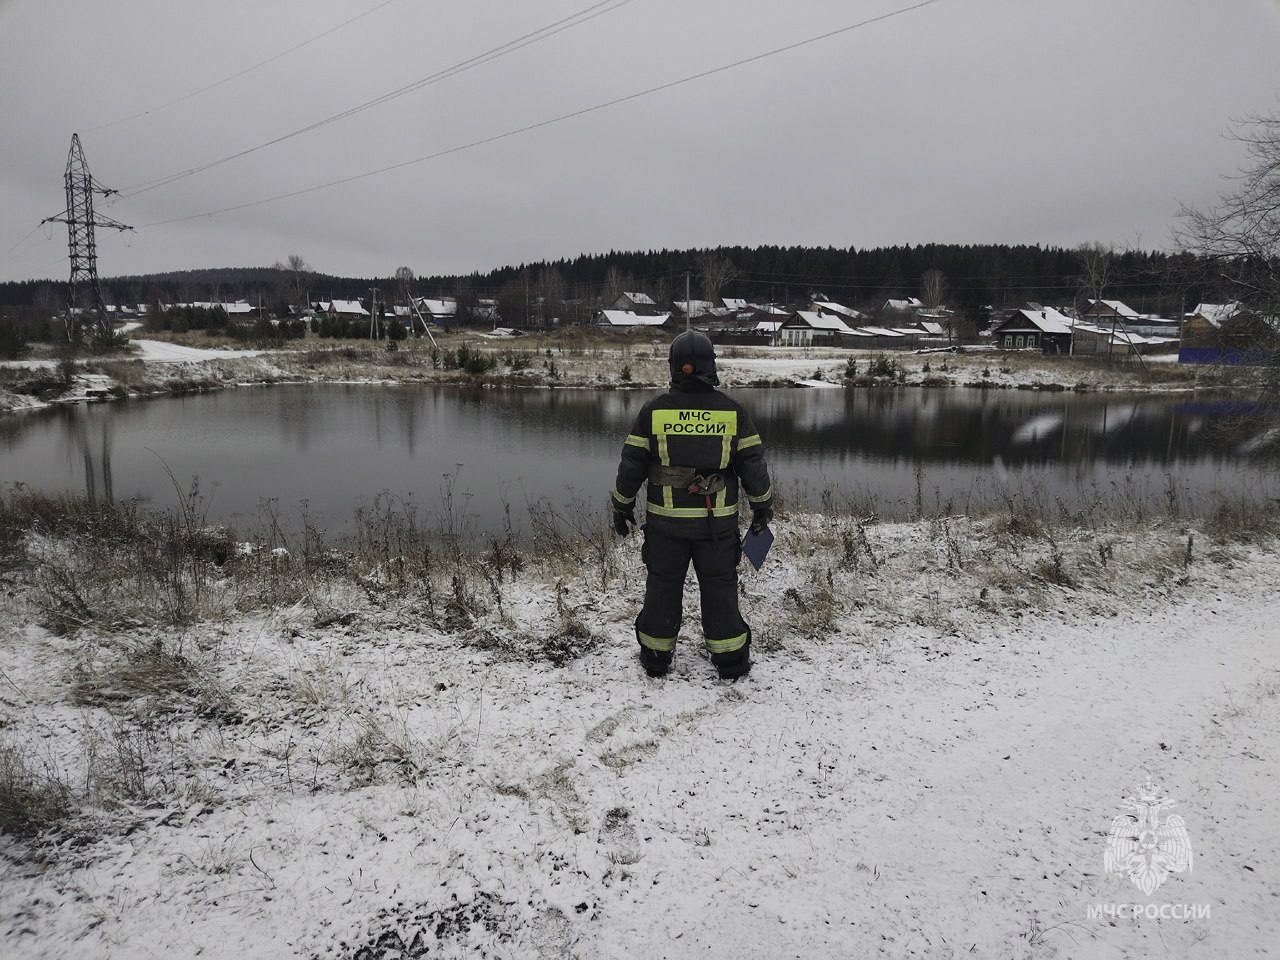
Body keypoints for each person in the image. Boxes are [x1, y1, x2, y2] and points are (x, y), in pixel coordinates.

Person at [610, 330, 774, 680]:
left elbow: (632, 465)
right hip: (718, 527)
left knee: (662, 587)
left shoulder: (654, 412)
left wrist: (622, 506)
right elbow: (753, 465)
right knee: (719, 588)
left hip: (666, 527)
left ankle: (656, 656)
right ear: (710, 366)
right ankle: (730, 661)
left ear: (673, 369)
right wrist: (763, 507)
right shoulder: (732, 412)